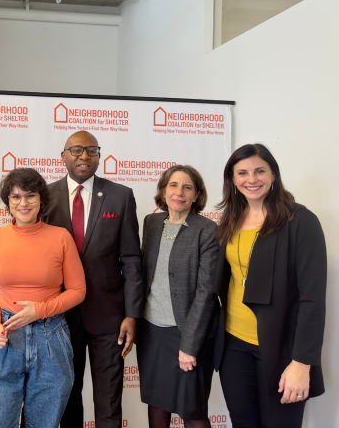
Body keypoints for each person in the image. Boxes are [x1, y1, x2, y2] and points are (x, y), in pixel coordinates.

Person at [212, 143, 326, 428]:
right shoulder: (230, 220)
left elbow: (312, 300)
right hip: (233, 345)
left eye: (260, 171)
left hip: (280, 350)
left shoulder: (300, 221)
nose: (252, 179)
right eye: (243, 173)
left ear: (273, 175)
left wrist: (302, 362)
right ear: (233, 180)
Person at [43, 130, 143, 428]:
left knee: (109, 399)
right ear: (63, 156)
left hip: (109, 317)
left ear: (99, 156)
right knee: (66, 397)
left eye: (91, 150)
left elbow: (131, 259)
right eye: (76, 150)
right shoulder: (44, 196)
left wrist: (132, 314)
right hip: (60, 316)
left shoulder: (120, 195)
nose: (84, 156)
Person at [0, 168, 86, 428]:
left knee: (44, 424)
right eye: (15, 197)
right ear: (8, 202)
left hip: (50, 336)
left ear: (41, 200)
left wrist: (40, 310)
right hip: (4, 335)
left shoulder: (60, 237)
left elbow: (78, 291)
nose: (23, 203)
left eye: (30, 196)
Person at [137, 165, 218, 428]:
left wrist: (190, 345)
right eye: (173, 185)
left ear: (196, 195)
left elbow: (206, 292)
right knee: (157, 404)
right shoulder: (151, 223)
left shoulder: (206, 230)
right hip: (151, 332)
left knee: (192, 410)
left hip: (187, 332)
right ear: (163, 189)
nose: (179, 192)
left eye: (187, 187)